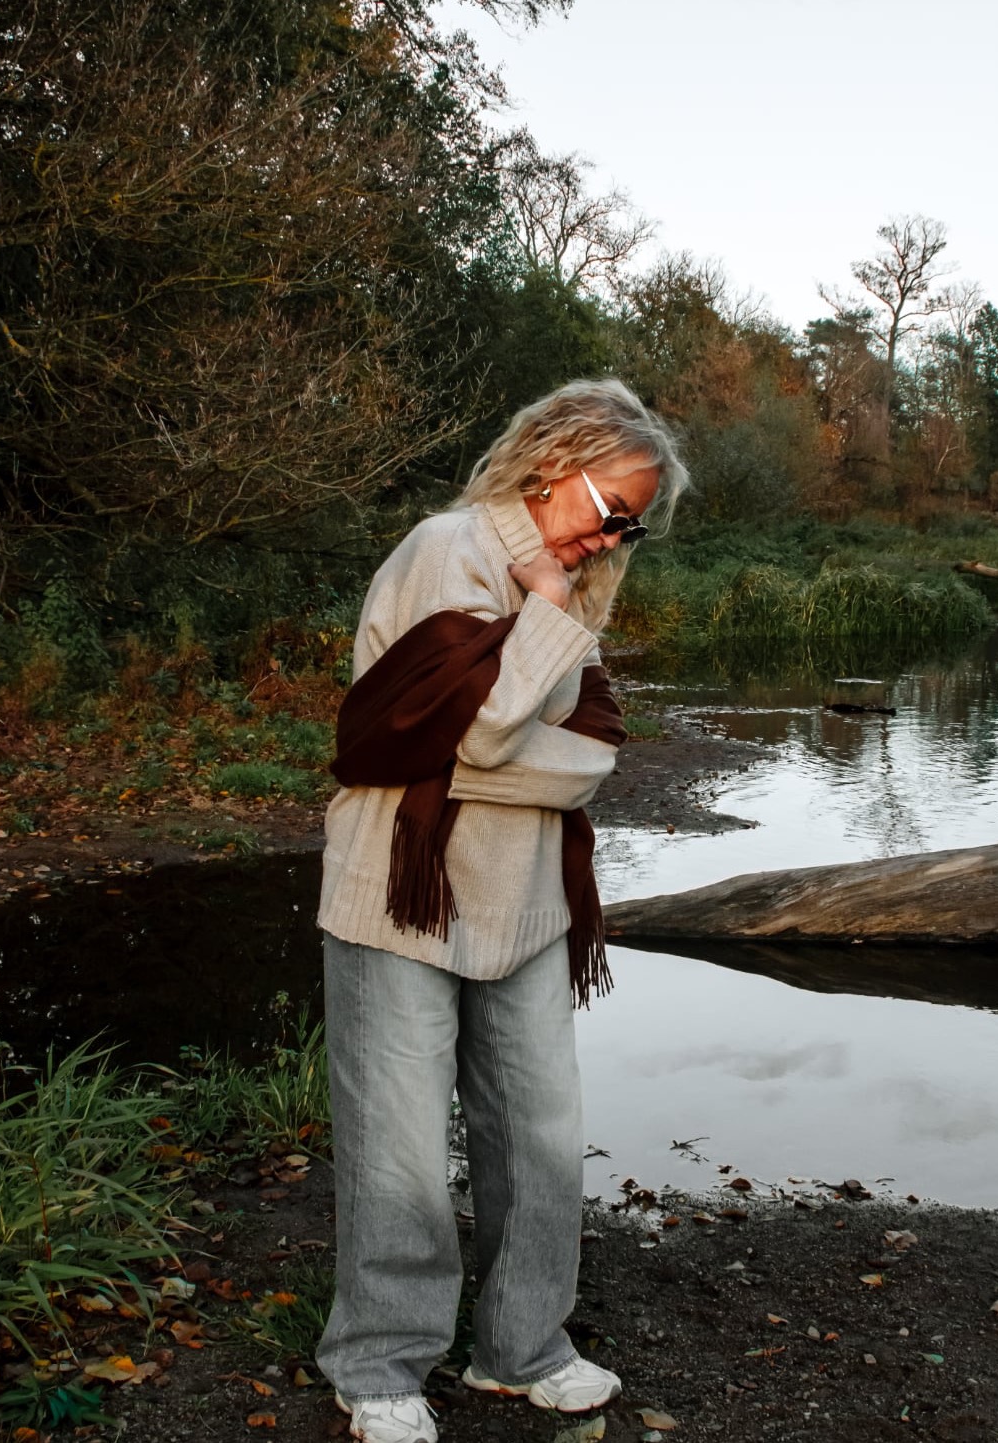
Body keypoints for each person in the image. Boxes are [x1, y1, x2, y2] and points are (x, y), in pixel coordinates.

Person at [317, 379, 688, 1443]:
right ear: (550, 462)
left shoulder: (566, 581)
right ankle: (379, 1362)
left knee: (538, 1135)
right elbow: (476, 735)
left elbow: (596, 750)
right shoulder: (449, 551)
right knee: (396, 1146)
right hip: (402, 891)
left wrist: (538, 733)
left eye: (633, 520)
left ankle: (520, 1350)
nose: (616, 533)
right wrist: (546, 622)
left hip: (525, 897)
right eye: (609, 506)